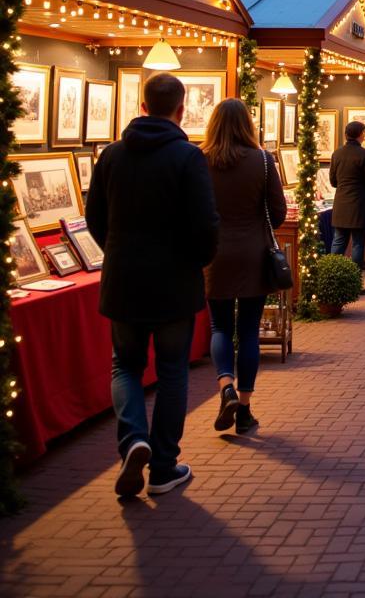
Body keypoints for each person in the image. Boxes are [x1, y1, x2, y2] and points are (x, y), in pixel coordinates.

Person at [86, 73, 219, 497]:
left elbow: (94, 219)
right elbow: (205, 225)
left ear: (142, 107)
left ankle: (132, 440)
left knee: (124, 365)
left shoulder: (111, 156)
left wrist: (118, 251)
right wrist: (195, 260)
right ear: (181, 109)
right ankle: (163, 466)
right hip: (174, 283)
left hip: (124, 281)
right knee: (172, 370)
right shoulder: (187, 157)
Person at [201, 99, 287, 436]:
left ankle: (225, 385)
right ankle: (245, 410)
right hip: (254, 253)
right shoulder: (263, 162)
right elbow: (277, 213)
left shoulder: (201, 160)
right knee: (249, 330)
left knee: (220, 327)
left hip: (215, 254)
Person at [329, 120, 365, 269]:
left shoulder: (336, 154)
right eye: (364, 132)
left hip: (341, 203)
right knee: (358, 243)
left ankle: (332, 276)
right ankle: (355, 280)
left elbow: (333, 181)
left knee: (338, 241)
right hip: (359, 204)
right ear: (360, 134)